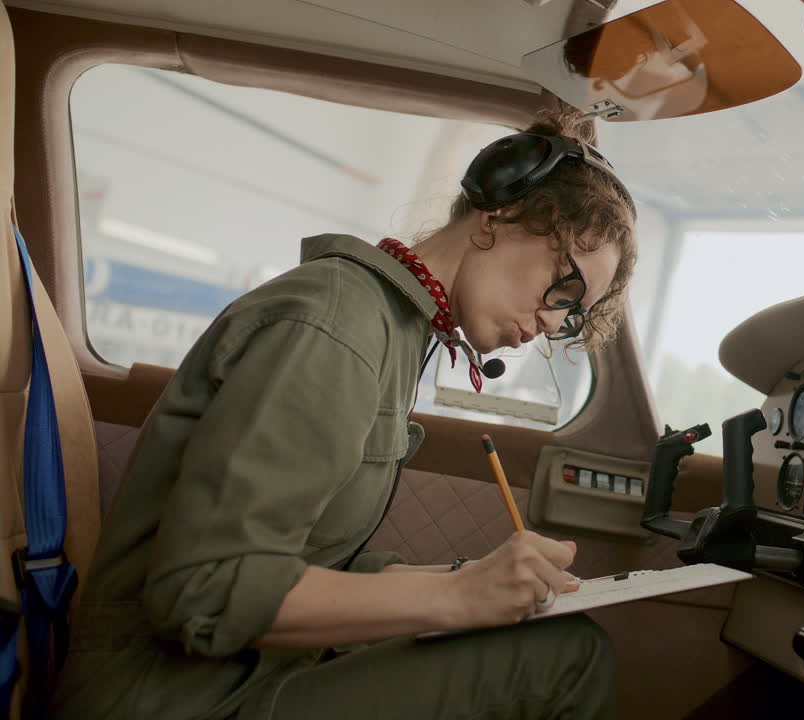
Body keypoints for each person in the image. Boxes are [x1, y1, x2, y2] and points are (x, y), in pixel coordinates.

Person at [51, 109, 638, 720]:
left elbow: (314, 559)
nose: (552, 320)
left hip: (247, 677)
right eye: (565, 288)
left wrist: (476, 580)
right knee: (565, 658)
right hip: (172, 700)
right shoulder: (336, 326)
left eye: (572, 316)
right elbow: (208, 590)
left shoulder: (396, 329)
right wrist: (457, 597)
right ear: (503, 214)